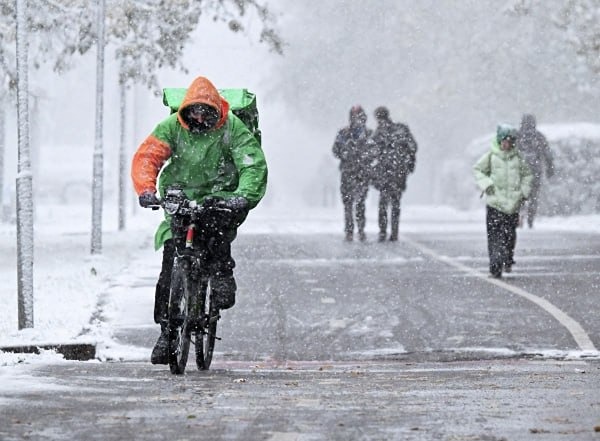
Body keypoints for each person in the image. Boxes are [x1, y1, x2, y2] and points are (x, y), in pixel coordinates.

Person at [131, 76, 268, 364]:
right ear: (184, 111)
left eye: (206, 112)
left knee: (216, 235)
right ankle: (167, 333)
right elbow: (148, 156)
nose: (199, 118)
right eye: (194, 111)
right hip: (179, 197)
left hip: (219, 195)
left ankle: (221, 275)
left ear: (217, 111)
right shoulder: (171, 129)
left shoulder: (233, 128)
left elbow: (251, 163)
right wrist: (146, 189)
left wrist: (242, 195)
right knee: (170, 266)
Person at [473, 124, 533, 278]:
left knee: (509, 235)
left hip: (512, 205)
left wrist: (523, 192)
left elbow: (527, 175)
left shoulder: (518, 159)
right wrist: (486, 184)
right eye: (504, 141)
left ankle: (507, 258)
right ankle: (495, 265)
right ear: (499, 141)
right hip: (495, 204)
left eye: (510, 141)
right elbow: (478, 170)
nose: (506, 144)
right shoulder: (491, 156)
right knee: (494, 236)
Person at [371, 106, 417, 242]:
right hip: (399, 172)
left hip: (385, 173)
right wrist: (407, 164)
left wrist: (374, 171)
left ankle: (383, 231)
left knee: (383, 203)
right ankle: (394, 231)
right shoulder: (402, 129)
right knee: (395, 202)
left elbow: (372, 153)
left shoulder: (379, 133)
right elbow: (413, 147)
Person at [332, 105, 376, 241]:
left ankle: (358, 229)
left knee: (358, 202)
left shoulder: (368, 134)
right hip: (351, 171)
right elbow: (336, 150)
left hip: (359, 172)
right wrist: (347, 154)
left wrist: (363, 157)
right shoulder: (344, 133)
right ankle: (352, 230)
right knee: (350, 202)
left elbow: (375, 151)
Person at [517, 113, 554, 228]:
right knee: (533, 196)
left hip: (520, 171)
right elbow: (547, 154)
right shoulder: (539, 136)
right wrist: (550, 168)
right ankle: (530, 219)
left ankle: (520, 216)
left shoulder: (517, 136)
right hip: (535, 171)